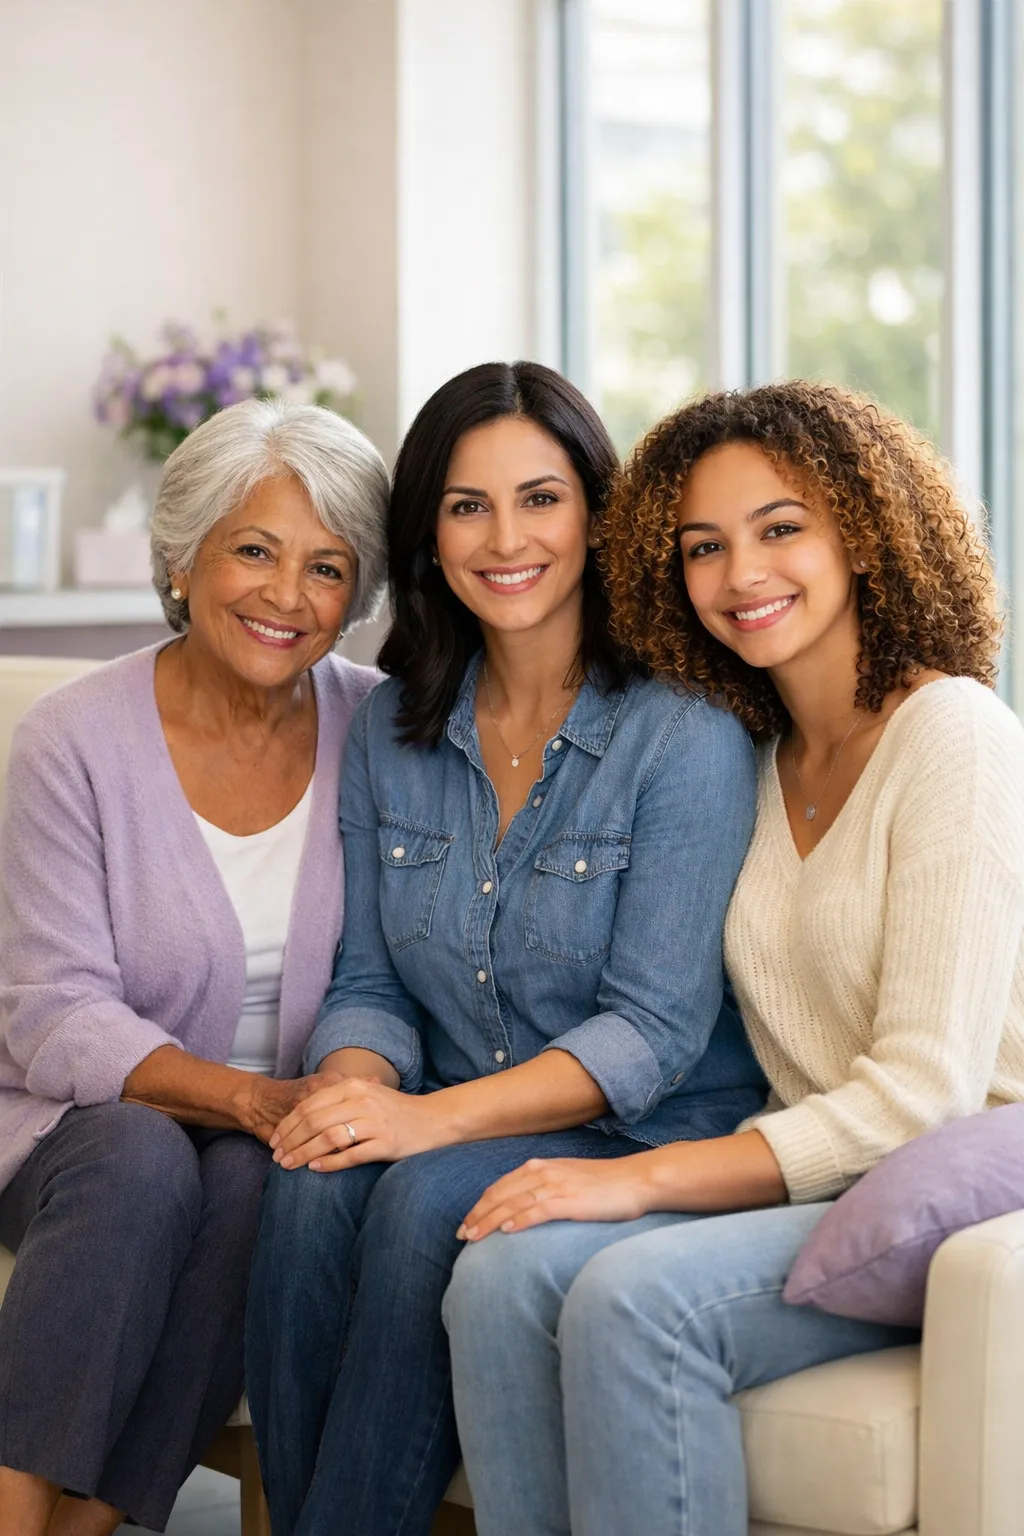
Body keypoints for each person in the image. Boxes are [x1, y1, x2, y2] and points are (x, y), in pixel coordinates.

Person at [443, 380, 1024, 1536]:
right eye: (703, 546)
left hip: (942, 1199)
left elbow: (922, 1100)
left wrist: (636, 1179)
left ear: (863, 530)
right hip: (811, 1176)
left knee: (632, 1303)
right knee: (497, 1279)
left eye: (780, 528)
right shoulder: (750, 758)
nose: (740, 574)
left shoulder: (951, 734)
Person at [244, 360, 767, 1536]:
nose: (504, 538)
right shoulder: (395, 723)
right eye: (466, 505)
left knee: (425, 1197)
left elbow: (652, 1031)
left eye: (540, 498)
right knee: (306, 1176)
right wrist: (354, 1089)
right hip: (459, 1106)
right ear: (427, 533)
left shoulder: (686, 731)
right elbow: (372, 980)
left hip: (646, 1126)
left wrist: (424, 1121)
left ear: (596, 511)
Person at [0, 398, 389, 1536]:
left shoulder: (381, 732)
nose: (286, 595)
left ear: (353, 599)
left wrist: (313, 1104)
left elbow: (394, 960)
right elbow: (51, 1012)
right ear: (183, 560)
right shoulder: (72, 736)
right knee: (143, 1158)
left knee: (250, 1182)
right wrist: (246, 1097)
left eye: (326, 568)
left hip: (282, 1141)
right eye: (253, 550)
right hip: (80, 1132)